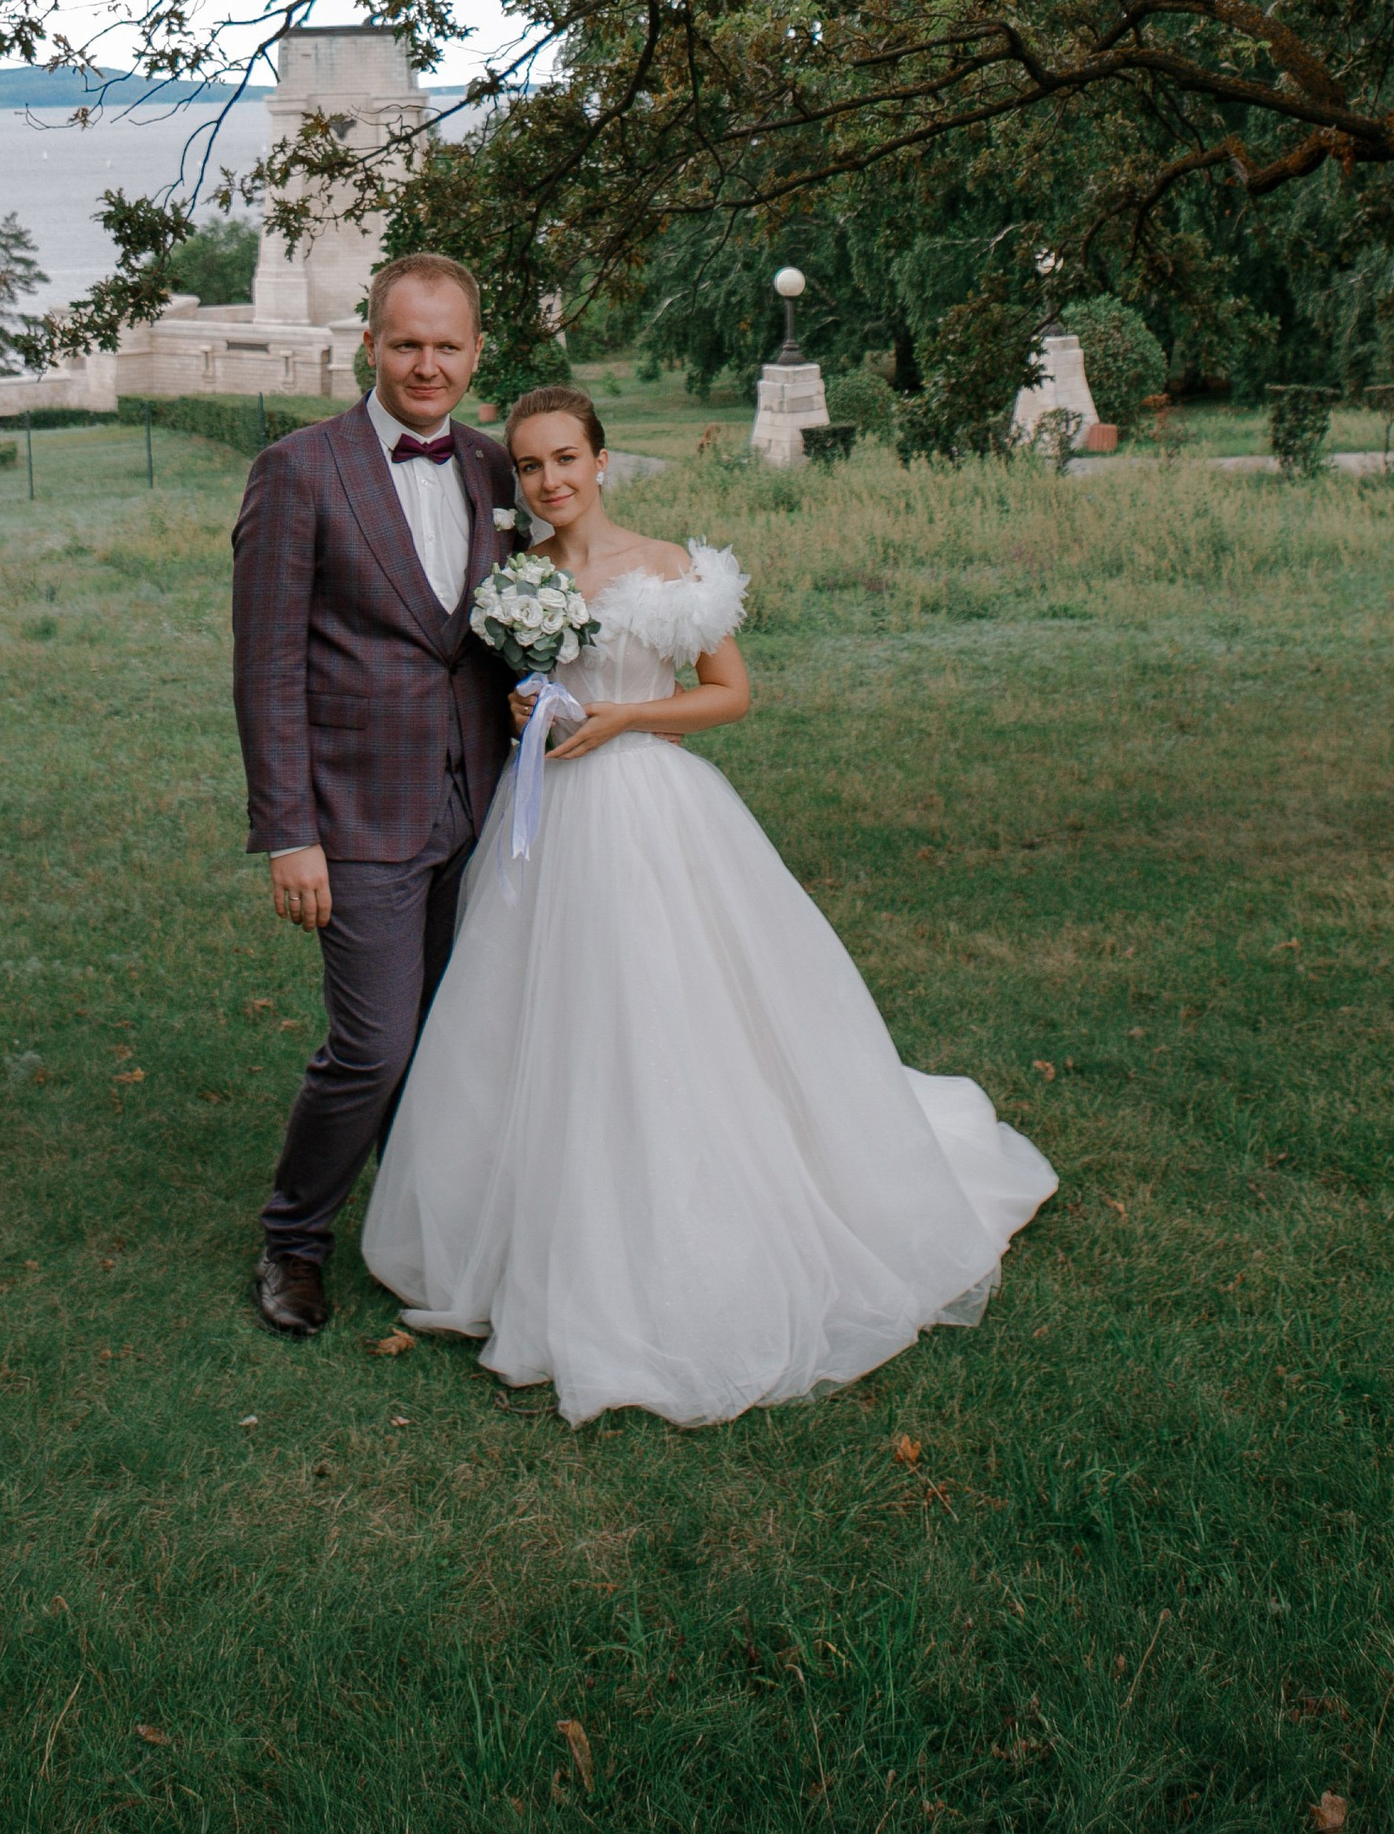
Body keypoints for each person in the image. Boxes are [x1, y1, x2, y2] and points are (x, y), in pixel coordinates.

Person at [362, 384, 1057, 1426]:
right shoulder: (520, 580)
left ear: (601, 459)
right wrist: (532, 706)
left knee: (668, 1004)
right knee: (547, 1018)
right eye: (531, 466)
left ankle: (699, 1219)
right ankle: (539, 1227)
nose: (550, 482)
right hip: (548, 819)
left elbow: (729, 692)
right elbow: (530, 693)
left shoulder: (665, 567)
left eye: (566, 459)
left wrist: (623, 719)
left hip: (649, 806)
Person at [230, 252, 518, 1338]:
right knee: (375, 1045)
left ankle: (428, 1225)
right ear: (368, 343)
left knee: (456, 1036)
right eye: (406, 343)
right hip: (355, 817)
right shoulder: (299, 471)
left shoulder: (494, 470)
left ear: (476, 352)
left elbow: (495, 636)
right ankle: (293, 1237)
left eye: (448, 346)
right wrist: (287, 834)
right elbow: (265, 671)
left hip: (479, 808)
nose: (427, 365)